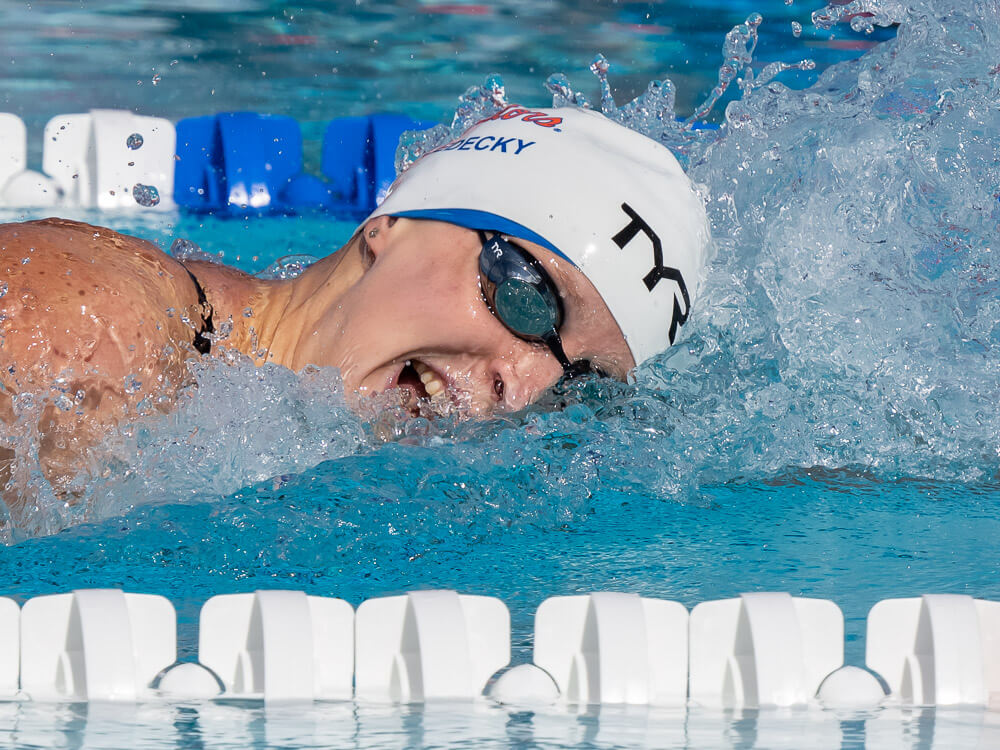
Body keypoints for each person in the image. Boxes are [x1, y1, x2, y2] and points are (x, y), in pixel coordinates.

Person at [0, 105, 710, 500]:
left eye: (577, 383)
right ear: (389, 226)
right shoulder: (91, 334)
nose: (522, 390)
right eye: (531, 300)